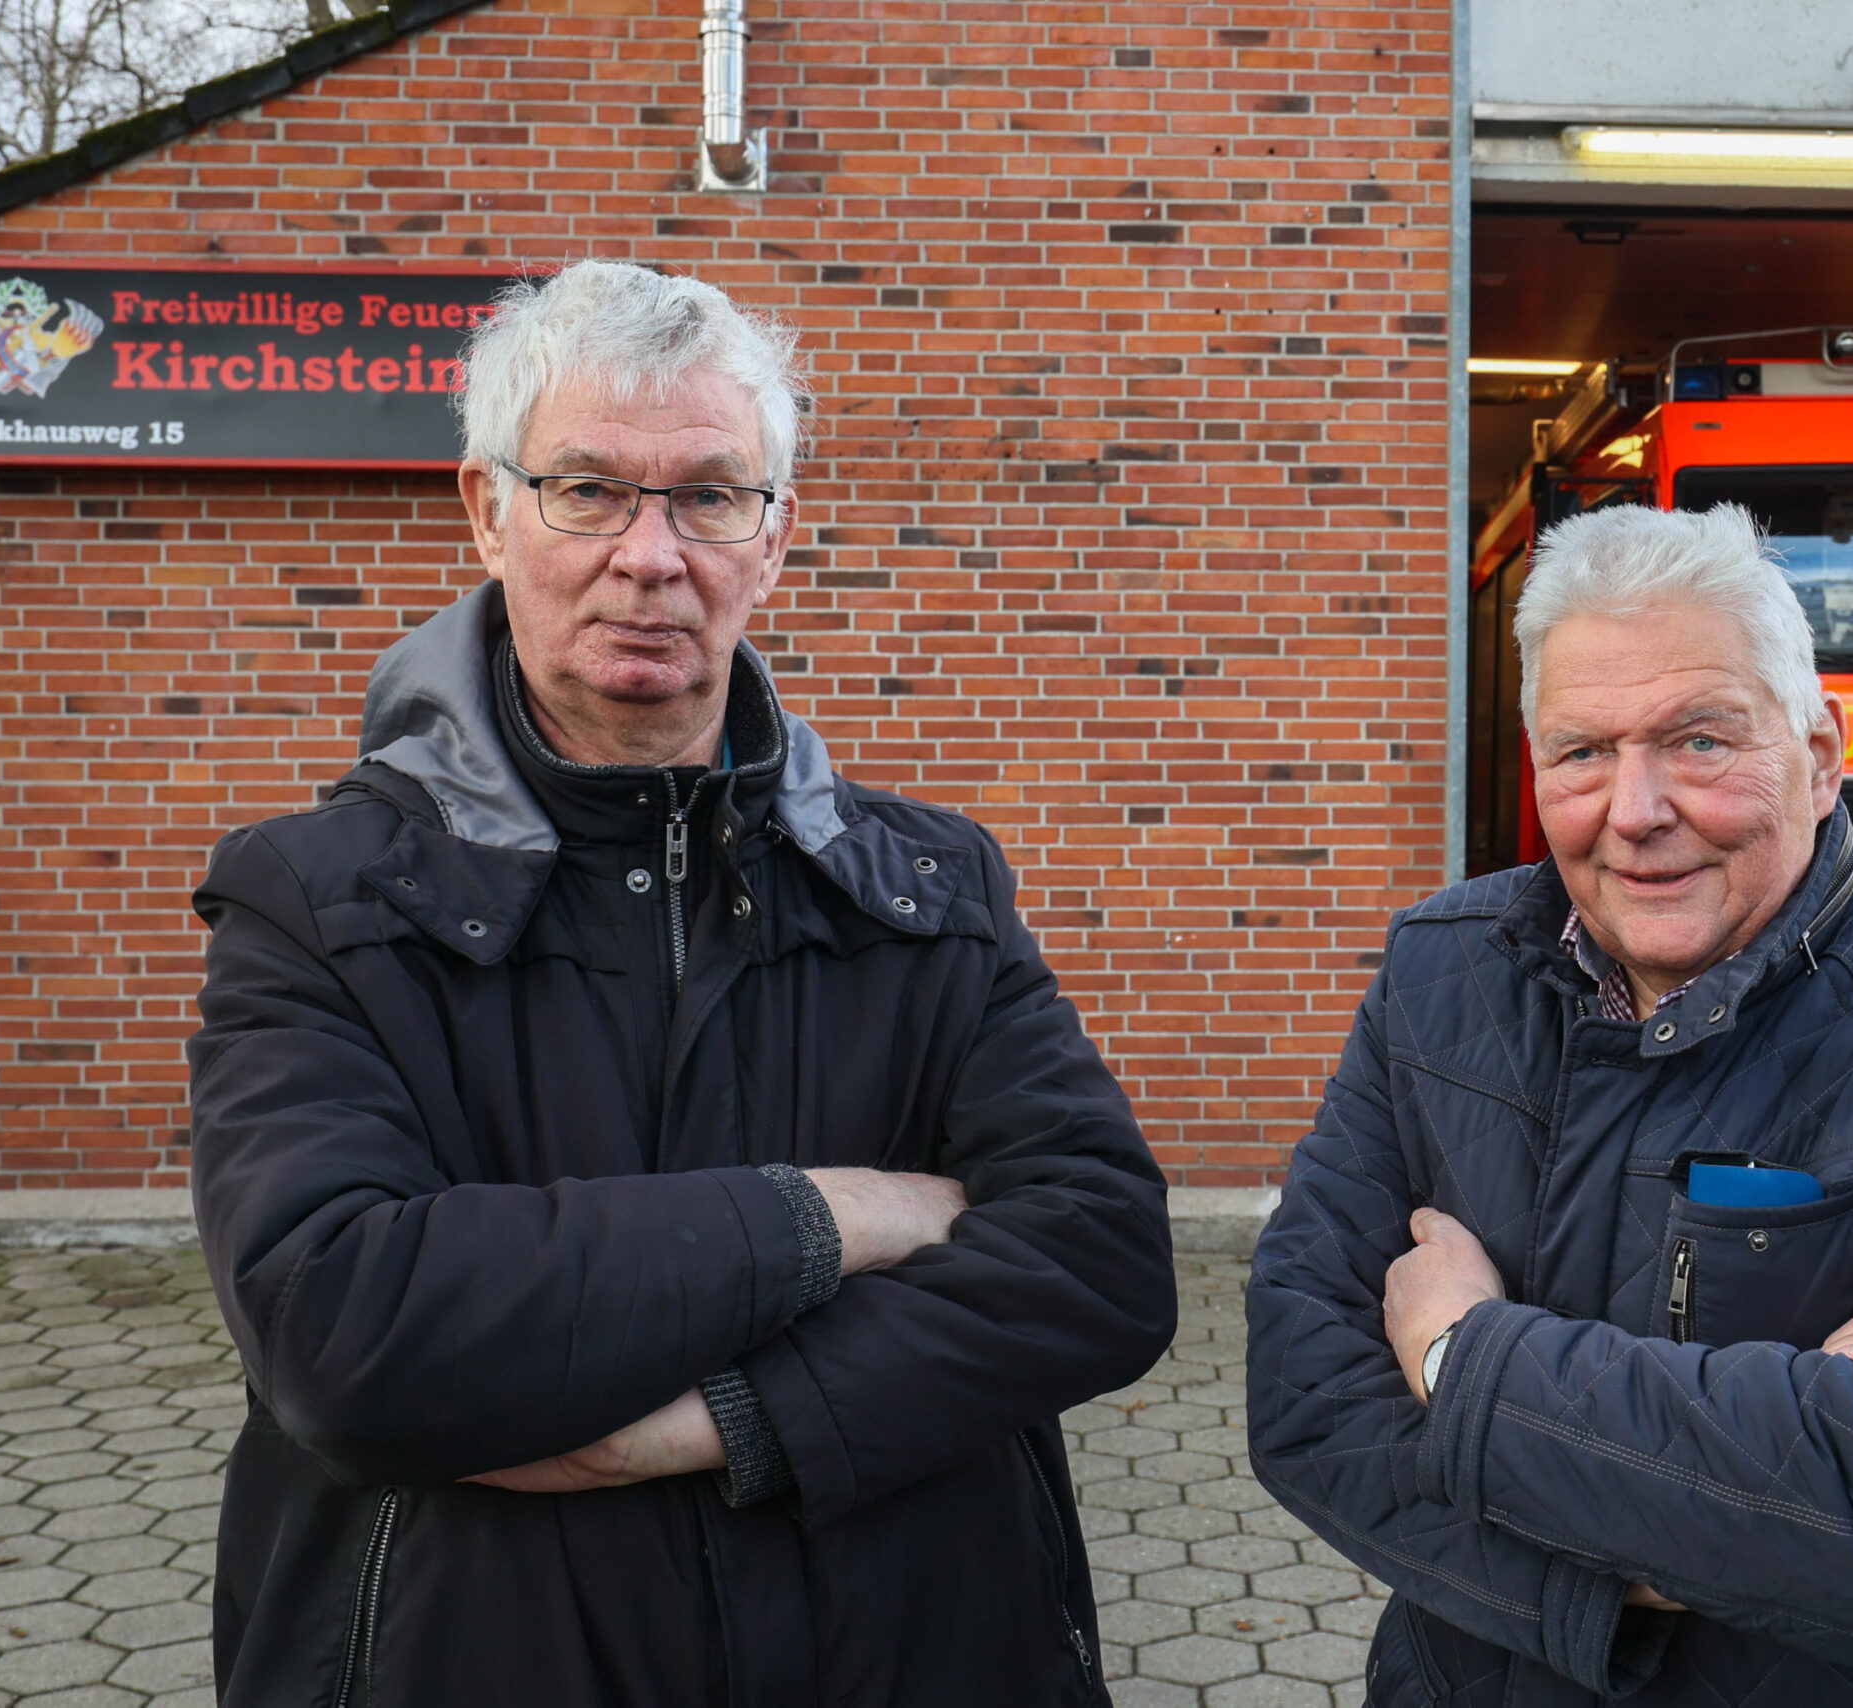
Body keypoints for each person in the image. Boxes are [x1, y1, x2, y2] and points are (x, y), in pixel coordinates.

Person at [188, 259, 1176, 1707]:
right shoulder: (319, 901)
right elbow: (345, 1328)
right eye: (589, 489)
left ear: (773, 539)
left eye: (710, 495)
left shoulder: (925, 888)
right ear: (490, 511)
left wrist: (723, 1418)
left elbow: (1099, 1259)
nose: (652, 554)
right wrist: (845, 1213)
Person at [1246, 503, 1853, 1706]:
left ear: (1819, 757)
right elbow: (1305, 1395)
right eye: (1581, 753)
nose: (1635, 808)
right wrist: (1662, 1564)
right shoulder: (1440, 971)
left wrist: (1459, 1356)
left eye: (1698, 740)